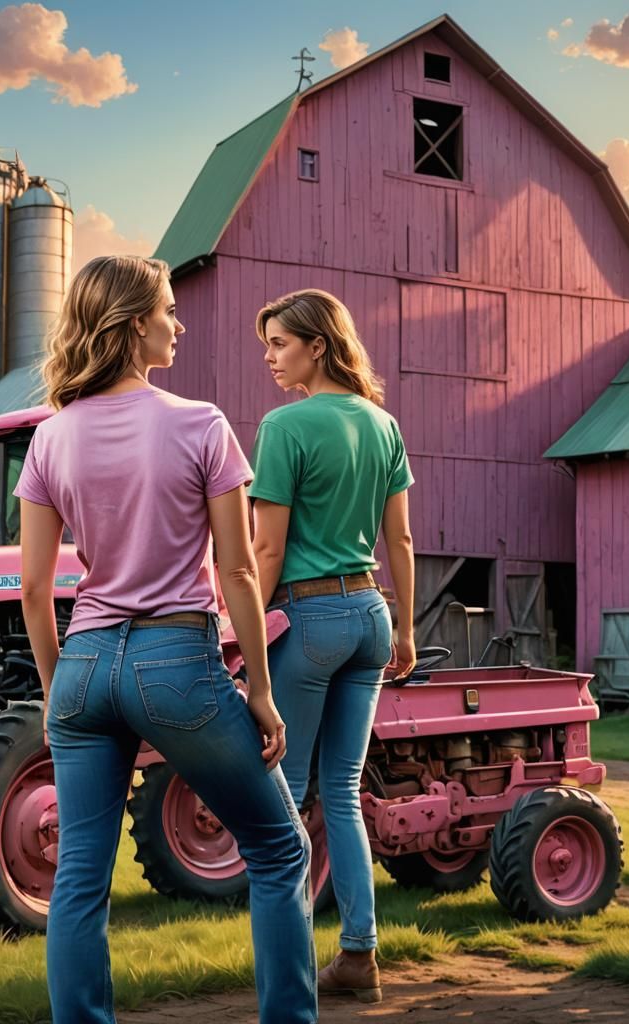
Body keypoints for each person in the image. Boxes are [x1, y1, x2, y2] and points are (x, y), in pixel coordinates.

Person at [15, 255, 317, 1024]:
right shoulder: (199, 424)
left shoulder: (51, 438)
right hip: (174, 661)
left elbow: (32, 586)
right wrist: (260, 691)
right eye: (169, 311)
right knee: (281, 850)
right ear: (130, 324)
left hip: (83, 663)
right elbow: (239, 571)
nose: (178, 325)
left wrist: (58, 692)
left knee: (79, 878)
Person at [249, 288, 416, 1004]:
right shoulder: (384, 424)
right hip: (371, 615)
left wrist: (241, 632)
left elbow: (265, 545)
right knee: (342, 793)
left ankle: (288, 974)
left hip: (310, 622)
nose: (271, 357)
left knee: (280, 794)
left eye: (281, 344)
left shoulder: (285, 426)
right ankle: (358, 956)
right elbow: (401, 539)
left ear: (318, 344)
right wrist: (407, 627)